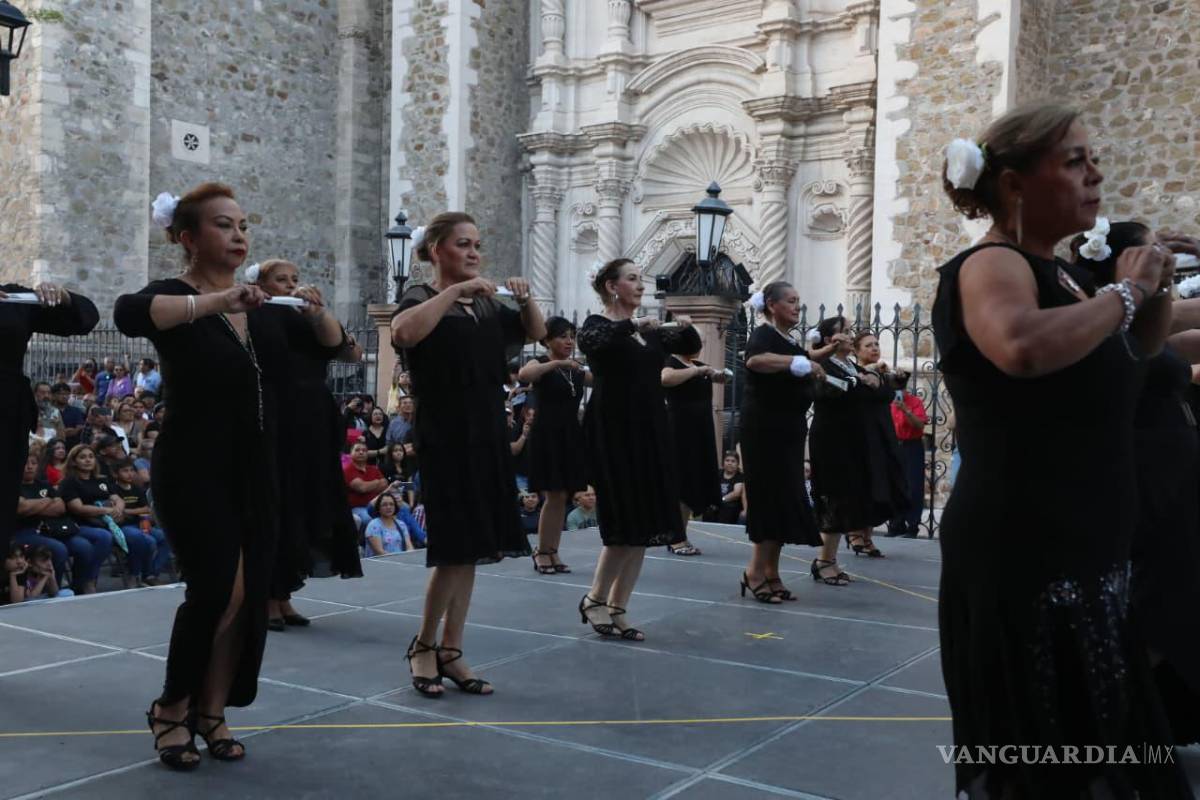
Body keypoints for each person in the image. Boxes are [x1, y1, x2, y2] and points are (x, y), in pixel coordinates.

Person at [932, 103, 1187, 796]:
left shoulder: (1068, 278)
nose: (1096, 174)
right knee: (1049, 765)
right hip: (1029, 561)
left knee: (1103, 753)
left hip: (1088, 551)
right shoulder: (992, 264)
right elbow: (1019, 346)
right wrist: (1129, 289)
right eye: (1075, 161)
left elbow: (1142, 347)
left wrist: (1152, 287)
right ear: (1014, 185)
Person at [114, 182, 341, 769]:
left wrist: (316, 311)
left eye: (242, 225)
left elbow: (339, 350)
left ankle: (212, 711)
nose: (239, 235)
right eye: (223, 225)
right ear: (189, 238)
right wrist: (224, 302)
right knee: (219, 589)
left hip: (259, 465)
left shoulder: (265, 310)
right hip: (195, 467)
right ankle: (172, 707)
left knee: (249, 594)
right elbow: (130, 314)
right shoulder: (175, 296)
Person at [390, 210, 545, 697]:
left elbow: (536, 331)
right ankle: (423, 646)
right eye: (463, 244)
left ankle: (451, 649)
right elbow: (403, 333)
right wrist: (454, 291)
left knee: (472, 549)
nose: (474, 253)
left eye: (477, 244)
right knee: (453, 547)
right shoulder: (422, 297)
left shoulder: (484, 308)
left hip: (485, 432)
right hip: (446, 433)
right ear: (437, 250)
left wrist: (524, 297)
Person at [1074, 221, 1200, 747]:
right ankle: (1111, 723)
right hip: (1147, 488)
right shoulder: (1107, 323)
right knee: (1158, 606)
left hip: (1176, 486)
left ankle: (1144, 719)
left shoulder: (1148, 317)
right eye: (1147, 247)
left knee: (1175, 605)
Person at [577, 258, 693, 641]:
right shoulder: (598, 326)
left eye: (640, 279)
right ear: (612, 286)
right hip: (614, 429)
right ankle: (594, 598)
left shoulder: (651, 334)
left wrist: (685, 323)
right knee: (623, 521)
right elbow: (594, 343)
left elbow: (689, 344)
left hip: (649, 428)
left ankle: (618, 607)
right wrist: (632, 325)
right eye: (632, 279)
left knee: (645, 523)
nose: (640, 286)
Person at [248, 256, 364, 632]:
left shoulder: (305, 316)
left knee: (303, 503)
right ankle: (267, 597)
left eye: (294, 278)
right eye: (281, 279)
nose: (290, 284)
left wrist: (317, 312)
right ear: (263, 283)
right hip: (278, 415)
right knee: (278, 502)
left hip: (314, 417)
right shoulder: (257, 314)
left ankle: (284, 595)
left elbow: (341, 348)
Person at [739, 281, 829, 601]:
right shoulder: (764, 334)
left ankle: (771, 571)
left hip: (788, 432)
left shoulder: (787, 340)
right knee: (769, 498)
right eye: (790, 301)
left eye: (798, 300)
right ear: (772, 306)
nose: (796, 306)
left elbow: (808, 357)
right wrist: (796, 363)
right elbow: (755, 361)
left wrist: (820, 356)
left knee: (784, 499)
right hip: (766, 432)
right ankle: (754, 572)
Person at [809, 319, 906, 564]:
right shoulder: (823, 364)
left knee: (850, 496)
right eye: (846, 332)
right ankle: (824, 562)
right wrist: (861, 382)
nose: (850, 336)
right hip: (833, 441)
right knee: (835, 498)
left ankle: (832, 558)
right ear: (831, 340)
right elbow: (828, 392)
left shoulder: (850, 366)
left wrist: (878, 378)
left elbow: (882, 391)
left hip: (852, 442)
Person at [518, 316, 589, 575]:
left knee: (563, 495)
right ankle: (542, 551)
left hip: (570, 434)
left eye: (572, 336)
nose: (569, 341)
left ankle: (552, 549)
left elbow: (601, 379)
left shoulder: (576, 369)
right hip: (547, 435)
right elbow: (526, 375)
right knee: (552, 495)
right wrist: (558, 363)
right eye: (562, 336)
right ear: (547, 339)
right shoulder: (543, 363)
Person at [661, 327, 724, 557]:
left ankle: (681, 534)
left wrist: (715, 375)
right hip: (680, 430)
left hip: (700, 429)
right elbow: (665, 378)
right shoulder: (672, 362)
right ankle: (675, 537)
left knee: (690, 483)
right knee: (679, 483)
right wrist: (698, 372)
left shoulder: (694, 365)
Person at [56, 444, 130, 592]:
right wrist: (106, 510)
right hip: (78, 525)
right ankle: (88, 580)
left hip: (104, 523)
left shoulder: (101, 480)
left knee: (127, 536)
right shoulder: (69, 482)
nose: (88, 460)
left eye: (90, 457)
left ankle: (87, 579)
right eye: (82, 457)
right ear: (73, 461)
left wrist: (118, 508)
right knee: (103, 537)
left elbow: (118, 499)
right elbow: (78, 508)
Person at [114, 458, 172, 585]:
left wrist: (127, 511)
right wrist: (135, 510)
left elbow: (146, 508)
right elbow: (116, 512)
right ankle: (135, 574)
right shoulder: (113, 490)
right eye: (125, 471)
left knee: (167, 538)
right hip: (123, 526)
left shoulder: (136, 488)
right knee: (147, 541)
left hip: (140, 522)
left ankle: (151, 573)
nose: (130, 474)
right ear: (116, 474)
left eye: (131, 470)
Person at [887, 370, 928, 538]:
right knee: (894, 485)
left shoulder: (914, 401)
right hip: (893, 446)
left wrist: (906, 410)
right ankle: (896, 524)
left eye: (901, 388)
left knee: (914, 485)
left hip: (911, 446)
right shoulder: (887, 403)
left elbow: (919, 425)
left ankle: (912, 525)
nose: (899, 393)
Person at [344, 441, 388, 532]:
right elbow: (362, 488)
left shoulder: (373, 469)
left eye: (364, 450)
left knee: (402, 510)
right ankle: (364, 543)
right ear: (350, 453)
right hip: (357, 508)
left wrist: (368, 485)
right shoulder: (347, 470)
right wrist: (376, 481)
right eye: (357, 450)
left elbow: (384, 484)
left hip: (377, 505)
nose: (361, 452)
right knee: (368, 520)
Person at [704, 451, 744, 525]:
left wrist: (721, 500)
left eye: (733, 461)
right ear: (723, 462)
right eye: (727, 460)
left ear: (737, 464)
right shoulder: (718, 473)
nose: (729, 463)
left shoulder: (740, 476)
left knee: (726, 510)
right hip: (716, 503)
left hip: (731, 506)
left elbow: (736, 494)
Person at [51, 382, 86, 447]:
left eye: (67, 394)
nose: (64, 396)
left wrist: (61, 432)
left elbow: (79, 428)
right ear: (53, 395)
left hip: (72, 445)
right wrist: (65, 432)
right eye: (61, 394)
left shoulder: (76, 411)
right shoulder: (49, 411)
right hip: (53, 445)